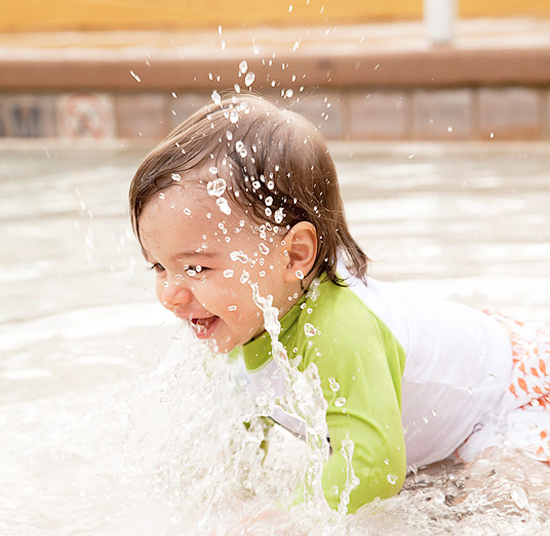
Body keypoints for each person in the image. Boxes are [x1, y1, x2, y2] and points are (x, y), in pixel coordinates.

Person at [129, 93, 550, 513]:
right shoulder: (232, 325)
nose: (171, 294)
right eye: (159, 269)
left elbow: (374, 467)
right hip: (447, 423)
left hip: (511, 399)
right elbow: (232, 446)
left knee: (491, 516)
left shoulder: (340, 330)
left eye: (197, 269)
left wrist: (281, 522)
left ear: (294, 255)